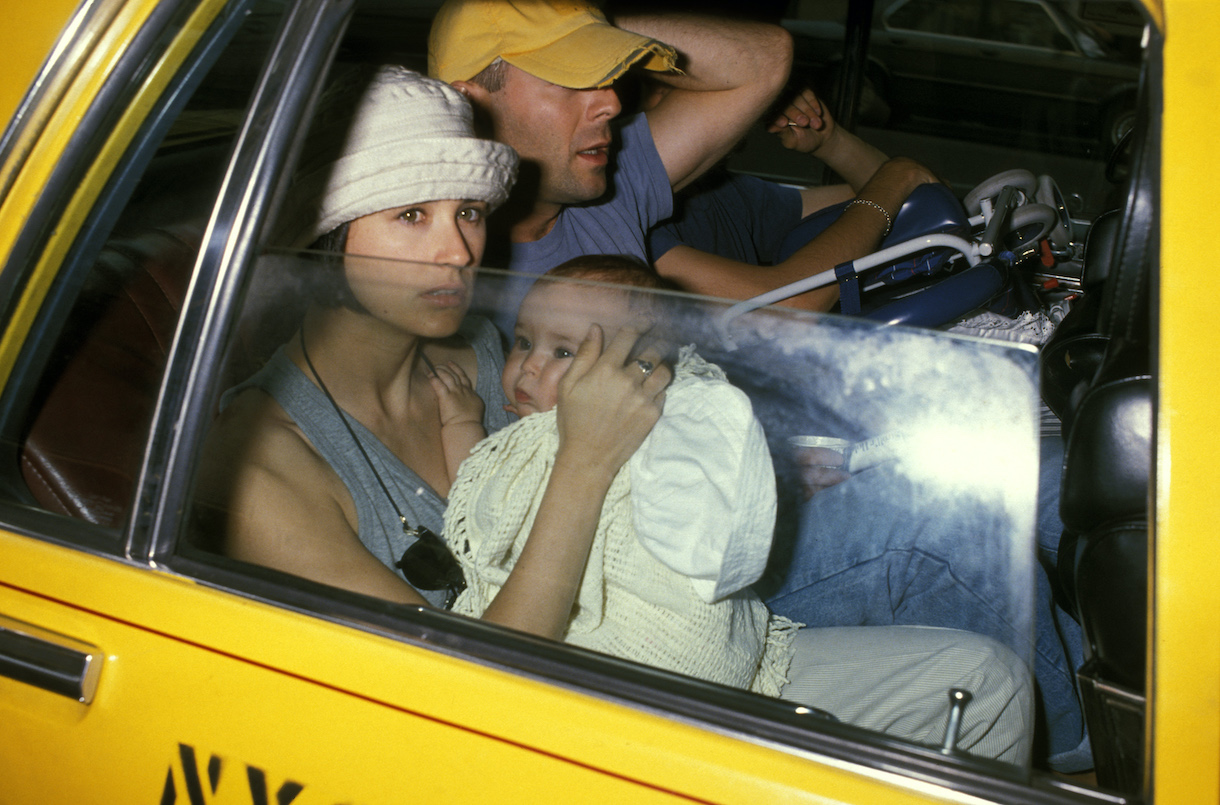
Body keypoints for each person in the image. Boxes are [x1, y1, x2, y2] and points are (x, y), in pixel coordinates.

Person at [430, 254, 1033, 763]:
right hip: (613, 698)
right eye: (525, 342)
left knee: (989, 680)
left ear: (642, 372)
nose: (529, 367)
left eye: (564, 352)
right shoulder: (519, 442)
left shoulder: (669, 421)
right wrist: (462, 422)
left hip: (723, 652)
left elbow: (709, 526)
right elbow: (476, 493)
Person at [194, 65, 670, 640]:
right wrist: (585, 465)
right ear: (327, 232)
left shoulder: (485, 353)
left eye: (467, 212)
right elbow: (475, 684)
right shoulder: (259, 467)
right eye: (411, 214)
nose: (460, 251)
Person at [427, 0, 936, 323]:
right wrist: (892, 183)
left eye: (607, 79)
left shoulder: (601, 196)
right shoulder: (446, 269)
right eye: (570, 81)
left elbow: (765, 59)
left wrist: (580, 17)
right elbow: (783, 308)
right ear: (469, 106)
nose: (611, 103)